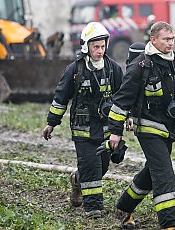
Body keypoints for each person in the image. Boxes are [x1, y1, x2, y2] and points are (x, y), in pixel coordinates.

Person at [107, 21, 175, 229]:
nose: (170, 44)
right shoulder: (140, 66)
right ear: (153, 40)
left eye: (172, 39)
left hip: (169, 128)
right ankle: (171, 223)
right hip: (148, 128)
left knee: (152, 173)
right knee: (164, 172)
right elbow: (121, 102)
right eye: (166, 40)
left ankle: (124, 206)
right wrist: (115, 132)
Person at [42, 22, 124, 219]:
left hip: (105, 128)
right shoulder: (75, 70)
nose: (100, 50)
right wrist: (51, 123)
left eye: (103, 46)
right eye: (96, 47)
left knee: (102, 166)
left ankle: (78, 180)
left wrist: (126, 119)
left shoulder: (113, 69)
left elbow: (123, 97)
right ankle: (93, 207)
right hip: (83, 129)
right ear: (86, 47)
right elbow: (61, 97)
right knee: (91, 166)